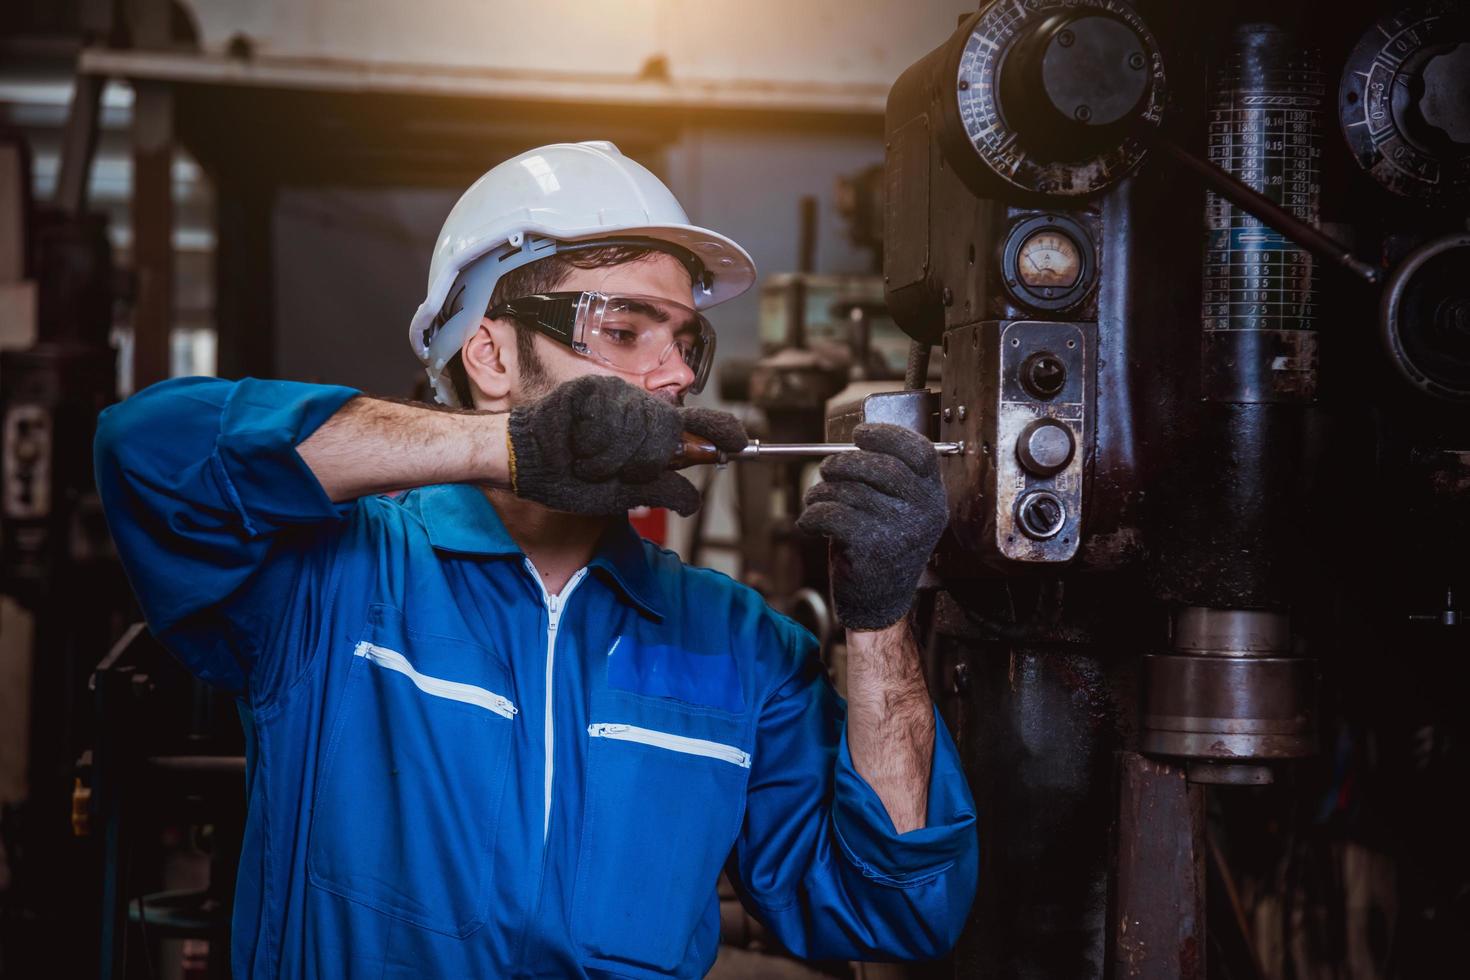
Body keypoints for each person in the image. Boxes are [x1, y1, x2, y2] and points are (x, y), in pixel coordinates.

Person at [95, 141, 977, 979]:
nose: (675, 376)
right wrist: (507, 449)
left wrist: (879, 623)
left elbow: (894, 907)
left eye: (688, 343)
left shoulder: (735, 645)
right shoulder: (337, 581)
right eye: (627, 329)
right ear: (489, 353)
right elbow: (148, 452)